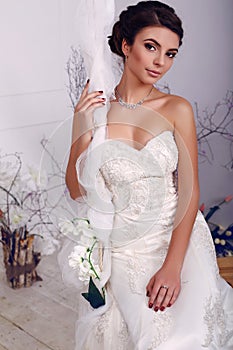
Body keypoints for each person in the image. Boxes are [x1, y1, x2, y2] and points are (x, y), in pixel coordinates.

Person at [64, 1, 233, 349]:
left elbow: (189, 190)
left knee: (191, 336)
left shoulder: (177, 108)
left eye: (170, 53)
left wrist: (173, 266)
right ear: (126, 46)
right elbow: (76, 191)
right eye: (151, 47)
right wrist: (80, 126)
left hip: (178, 242)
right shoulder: (97, 111)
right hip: (126, 250)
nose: (160, 62)